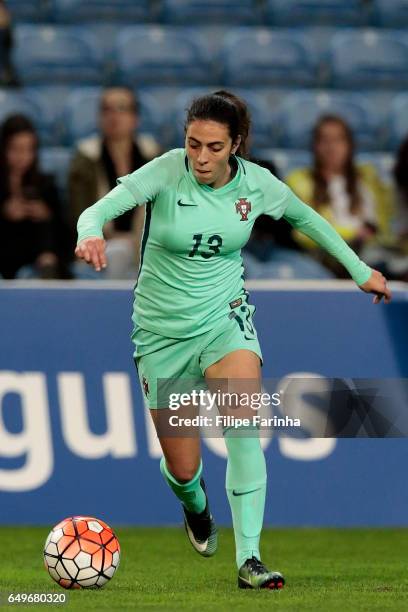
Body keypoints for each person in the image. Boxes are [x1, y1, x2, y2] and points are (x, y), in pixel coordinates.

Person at [75, 91, 391, 590]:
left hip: (226, 320)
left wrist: (358, 270)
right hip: (161, 335)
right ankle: (195, 504)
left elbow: (305, 217)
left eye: (214, 147)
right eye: (193, 143)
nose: (200, 157)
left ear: (236, 145)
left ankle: (250, 559)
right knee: (183, 468)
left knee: (243, 423)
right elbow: (97, 210)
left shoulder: (257, 185)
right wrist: (90, 233)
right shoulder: (164, 171)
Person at [68, 87, 161, 278]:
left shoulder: (153, 155)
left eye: (121, 108)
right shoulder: (86, 156)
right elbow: (79, 212)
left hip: (148, 244)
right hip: (102, 244)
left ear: (136, 118)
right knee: (117, 253)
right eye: (107, 110)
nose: (114, 116)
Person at [286, 115, 392, 277]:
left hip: (370, 251)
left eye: (339, 140)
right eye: (324, 140)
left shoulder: (368, 178)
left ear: (349, 145)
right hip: (325, 255)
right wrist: (354, 233)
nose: (332, 147)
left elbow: (383, 225)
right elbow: (303, 232)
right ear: (315, 146)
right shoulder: (299, 181)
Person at [0, 114, 69, 279]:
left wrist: (46, 214)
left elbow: (66, 232)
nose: (22, 156)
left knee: (45, 235)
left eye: (28, 150)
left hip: (38, 255)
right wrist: (4, 214)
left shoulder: (45, 185)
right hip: (5, 253)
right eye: (15, 149)